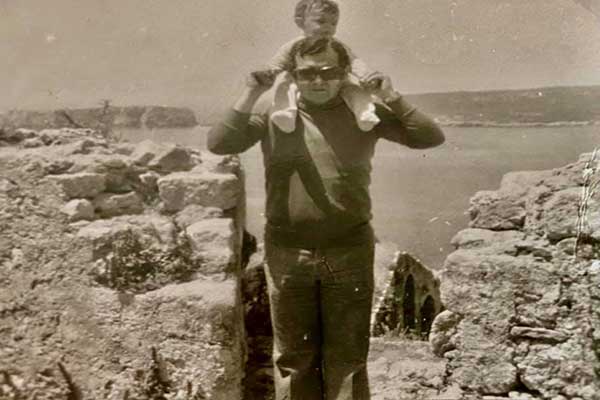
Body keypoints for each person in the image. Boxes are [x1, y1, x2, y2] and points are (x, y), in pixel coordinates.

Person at [208, 37, 444, 400]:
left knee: (347, 359)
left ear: (344, 73)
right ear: (293, 76)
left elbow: (429, 136)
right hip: (287, 252)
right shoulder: (275, 116)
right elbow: (220, 142)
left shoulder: (364, 116)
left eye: (328, 72)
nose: (318, 81)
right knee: (293, 360)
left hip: (349, 252)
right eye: (307, 73)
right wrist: (251, 92)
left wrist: (390, 96)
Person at [269, 0, 381, 133]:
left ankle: (365, 113)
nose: (328, 28)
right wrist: (270, 72)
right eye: (320, 21)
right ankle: (285, 114)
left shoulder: (336, 45)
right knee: (284, 86)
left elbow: (355, 62)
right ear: (300, 22)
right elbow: (278, 62)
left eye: (333, 23)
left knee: (355, 89)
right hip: (301, 79)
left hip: (336, 80)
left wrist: (366, 75)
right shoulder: (294, 46)